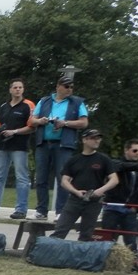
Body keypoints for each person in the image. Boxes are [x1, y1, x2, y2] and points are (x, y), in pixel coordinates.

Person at [31, 75, 89, 219]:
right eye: (66, 86)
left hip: (64, 145)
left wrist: (65, 123)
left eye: (71, 87)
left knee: (63, 177)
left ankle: (61, 211)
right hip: (43, 143)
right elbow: (32, 120)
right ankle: (41, 210)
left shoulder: (77, 102)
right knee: (41, 178)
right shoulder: (44, 100)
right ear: (58, 87)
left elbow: (84, 123)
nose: (69, 89)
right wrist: (41, 121)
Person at [0, 79, 35, 218]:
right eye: (15, 87)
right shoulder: (4, 106)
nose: (17, 90)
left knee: (21, 178)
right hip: (3, 146)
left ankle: (21, 210)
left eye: (20, 87)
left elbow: (32, 127)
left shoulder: (28, 105)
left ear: (23, 89)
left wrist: (14, 132)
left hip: (20, 147)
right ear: (10, 90)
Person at [51, 129, 118, 241]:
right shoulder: (74, 160)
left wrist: (100, 190)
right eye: (93, 138)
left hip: (94, 201)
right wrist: (76, 192)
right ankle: (48, 254)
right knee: (60, 229)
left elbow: (114, 180)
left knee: (86, 234)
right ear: (85, 140)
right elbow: (64, 181)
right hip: (75, 200)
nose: (97, 140)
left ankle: (81, 257)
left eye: (99, 138)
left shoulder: (103, 159)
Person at [101, 139, 138, 254]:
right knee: (109, 238)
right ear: (126, 150)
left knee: (131, 240)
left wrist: (137, 207)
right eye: (135, 150)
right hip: (112, 207)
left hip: (129, 209)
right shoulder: (115, 163)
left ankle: (133, 265)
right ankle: (104, 261)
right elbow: (122, 166)